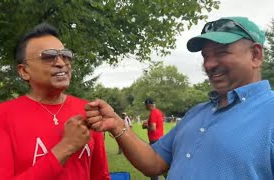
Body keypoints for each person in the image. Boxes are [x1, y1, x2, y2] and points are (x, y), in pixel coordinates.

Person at [84, 16, 274, 179]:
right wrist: (117, 124)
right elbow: (155, 163)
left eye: (221, 52)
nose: (209, 64)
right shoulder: (196, 113)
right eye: (205, 56)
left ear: (255, 55)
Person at [0, 23, 110, 179]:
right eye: (48, 57)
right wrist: (65, 147)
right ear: (24, 71)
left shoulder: (87, 110)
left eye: (66, 55)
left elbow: (100, 175)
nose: (61, 63)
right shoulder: (0, 116)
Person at [141, 98, 164, 180]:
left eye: (145, 105)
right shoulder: (158, 112)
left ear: (148, 105)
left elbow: (153, 128)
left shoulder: (153, 113)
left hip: (155, 140)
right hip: (159, 139)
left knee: (152, 163)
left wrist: (145, 126)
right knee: (157, 161)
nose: (145, 106)